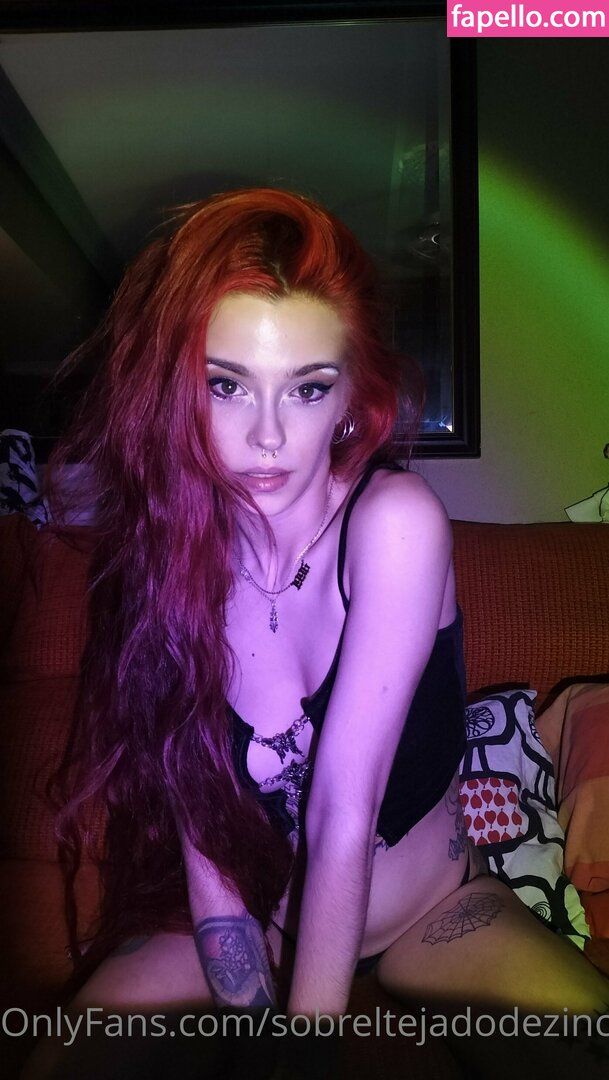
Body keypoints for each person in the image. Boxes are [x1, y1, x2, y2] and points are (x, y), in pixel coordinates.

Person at [25, 189, 609, 1079]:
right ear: (178, 393)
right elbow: (204, 827)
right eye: (225, 385)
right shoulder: (169, 557)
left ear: (346, 401)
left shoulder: (394, 524)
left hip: (431, 921)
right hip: (260, 918)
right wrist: (246, 1015)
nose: (266, 436)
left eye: (306, 388)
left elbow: (343, 810)